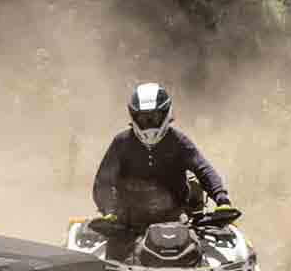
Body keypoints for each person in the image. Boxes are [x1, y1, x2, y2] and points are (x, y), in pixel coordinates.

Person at [90, 81, 232, 233]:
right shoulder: (121, 142)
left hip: (176, 220)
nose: (149, 123)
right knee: (113, 256)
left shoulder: (178, 141)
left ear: (166, 114)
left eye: (154, 117)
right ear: (133, 116)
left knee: (194, 253)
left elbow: (203, 169)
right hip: (128, 223)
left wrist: (222, 199)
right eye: (144, 118)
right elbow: (102, 182)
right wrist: (109, 210)